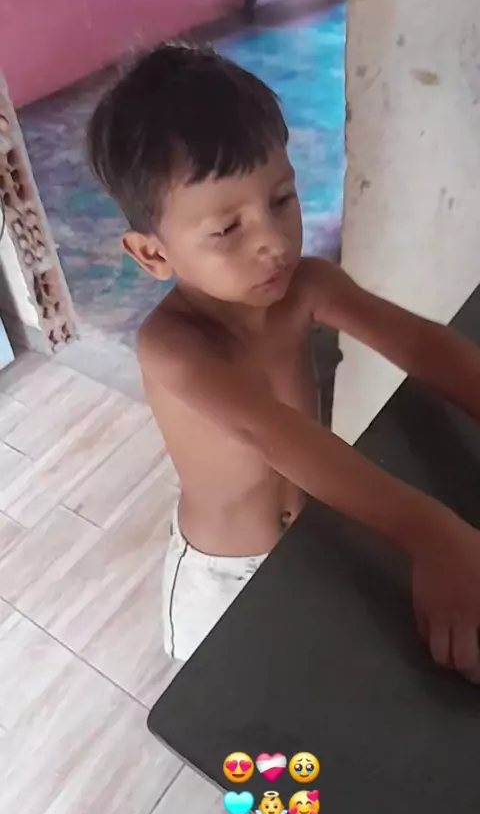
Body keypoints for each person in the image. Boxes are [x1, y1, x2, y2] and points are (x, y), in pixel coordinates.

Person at [88, 43, 480, 677]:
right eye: (228, 230)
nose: (273, 242)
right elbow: (273, 435)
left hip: (314, 540)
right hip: (224, 577)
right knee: (228, 708)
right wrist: (434, 532)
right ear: (153, 254)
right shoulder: (172, 345)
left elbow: (418, 344)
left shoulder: (308, 285)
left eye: (281, 199)